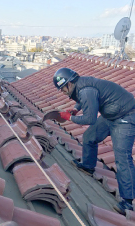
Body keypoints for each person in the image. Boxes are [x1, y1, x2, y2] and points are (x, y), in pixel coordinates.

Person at [53, 67, 135, 215]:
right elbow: (83, 99)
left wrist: (69, 117)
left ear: (69, 83)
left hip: (126, 117)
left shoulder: (85, 90)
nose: (63, 93)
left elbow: (90, 119)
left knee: (122, 157)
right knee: (89, 137)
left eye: (63, 89)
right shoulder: (80, 85)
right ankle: (88, 166)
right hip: (110, 114)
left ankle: (128, 202)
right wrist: (76, 109)